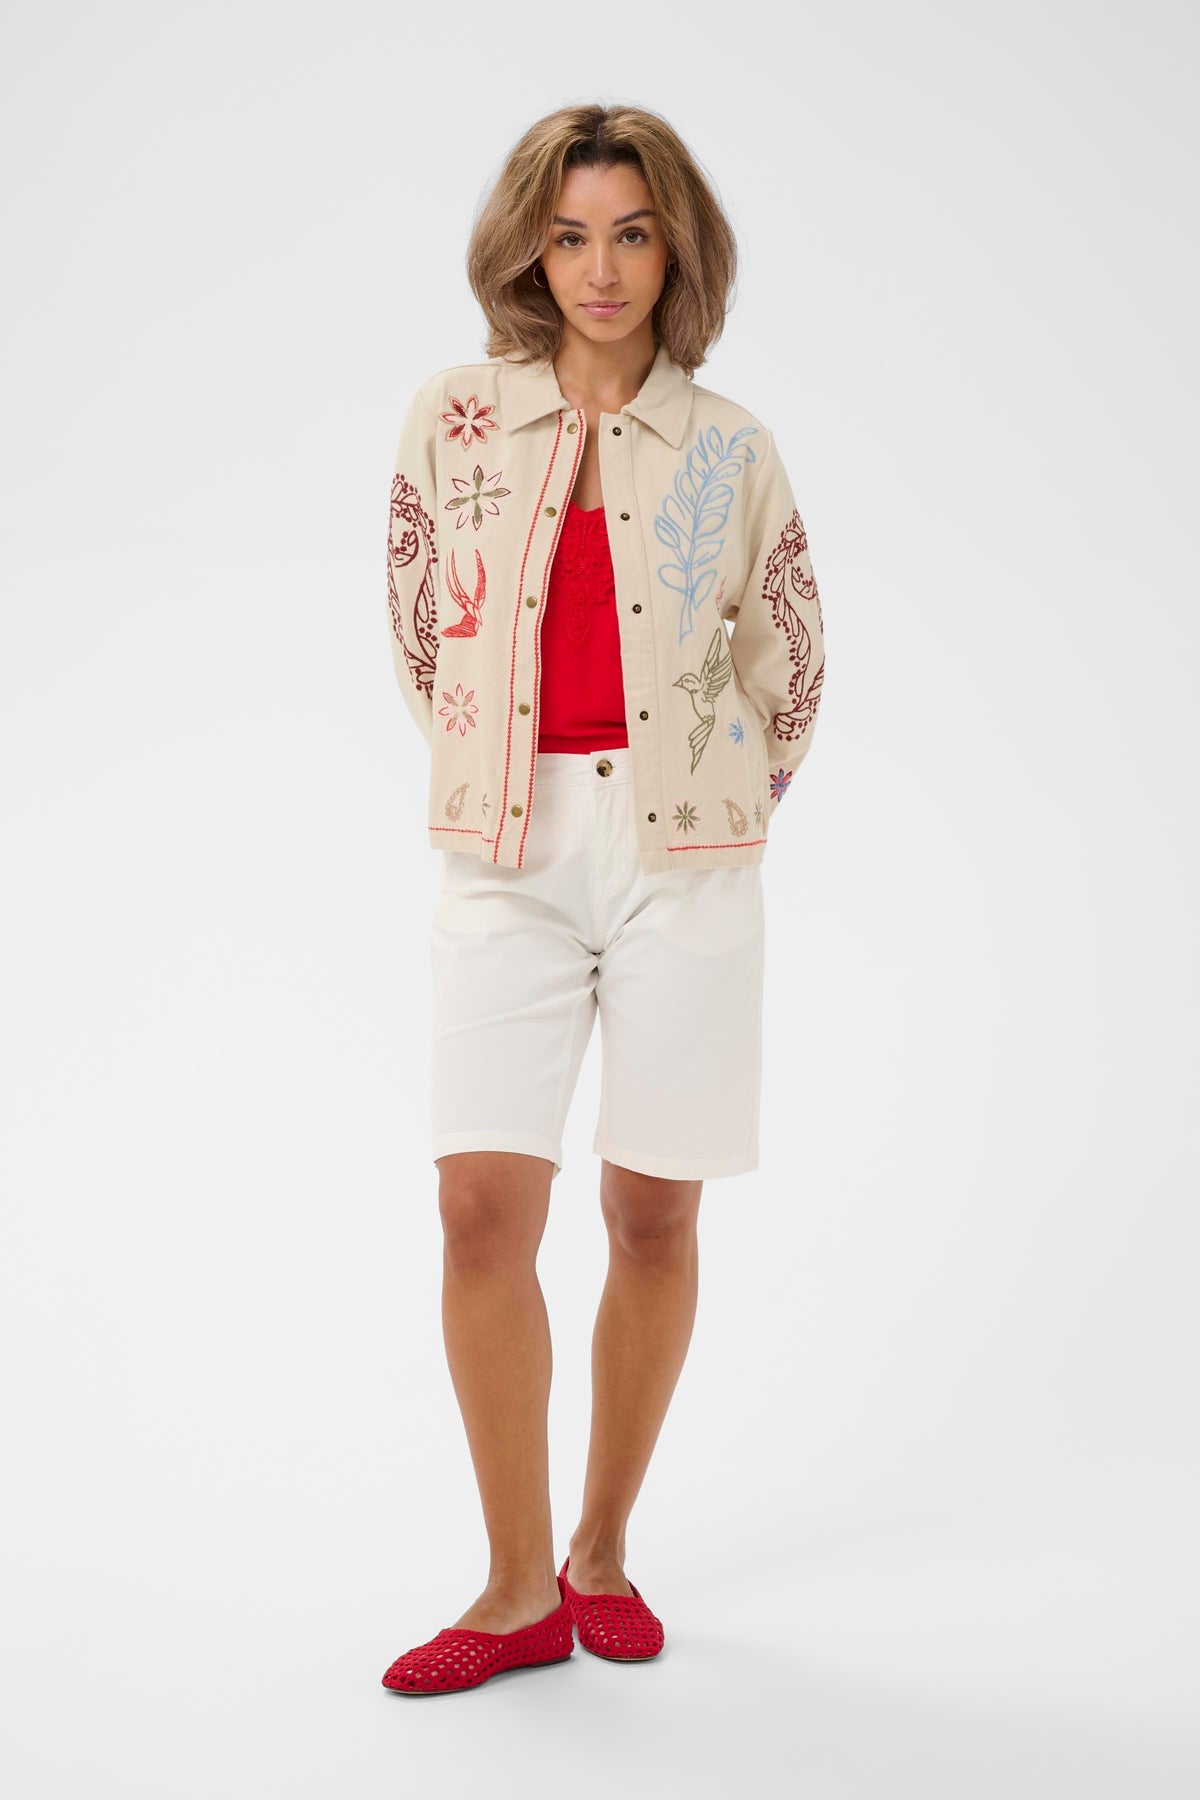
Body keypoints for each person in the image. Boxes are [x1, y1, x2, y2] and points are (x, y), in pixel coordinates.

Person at [381, 102, 825, 1695]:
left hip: (683, 853)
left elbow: (791, 653)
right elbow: (420, 618)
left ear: (674, 248)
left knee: (652, 1211)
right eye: (570, 236)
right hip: (505, 846)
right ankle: (514, 1592)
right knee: (479, 1209)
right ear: (530, 251)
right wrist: (495, 767)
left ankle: (601, 1553)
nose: (601, 268)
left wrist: (713, 796)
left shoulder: (731, 446)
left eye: (632, 233)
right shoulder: (453, 419)